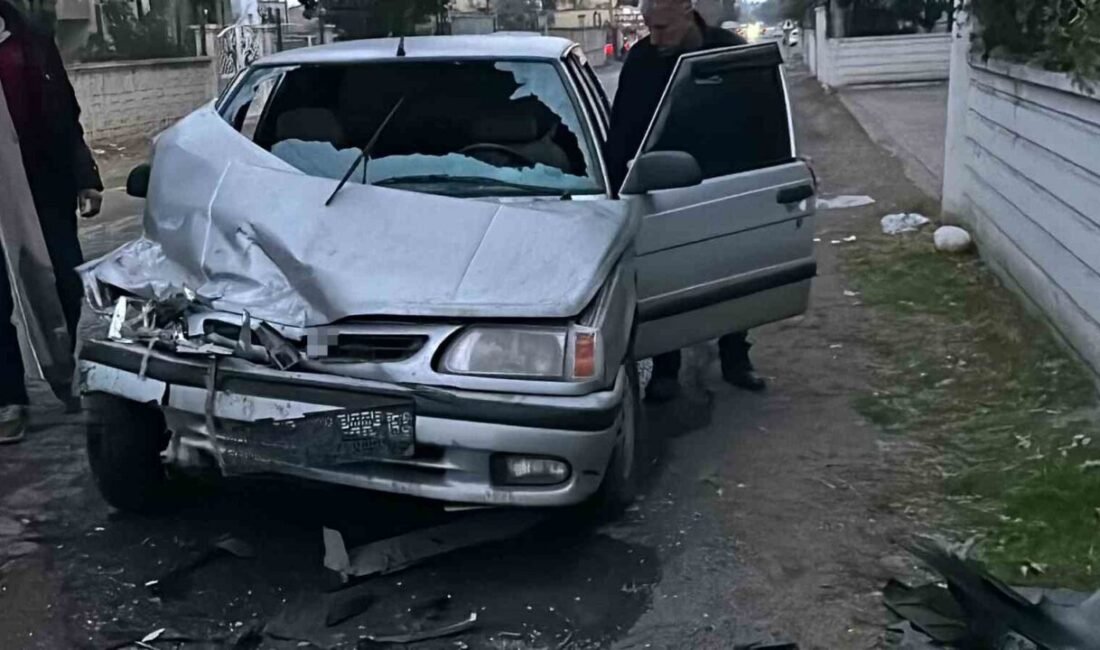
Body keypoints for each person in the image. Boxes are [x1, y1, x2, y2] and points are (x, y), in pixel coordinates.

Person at [605, 0, 766, 403]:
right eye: (648, 27)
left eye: (662, 27)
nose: (654, 37)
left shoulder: (729, 51)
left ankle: (736, 359)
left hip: (725, 181)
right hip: (662, 186)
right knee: (665, 277)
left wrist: (779, 164)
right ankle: (665, 369)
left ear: (687, 11)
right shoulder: (641, 60)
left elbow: (761, 119)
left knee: (732, 272)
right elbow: (622, 128)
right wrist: (613, 186)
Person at [0, 0, 102, 443]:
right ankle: (9, 398)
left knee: (64, 280)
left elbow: (66, 113)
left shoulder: (32, 40)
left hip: (45, 185)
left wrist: (86, 177)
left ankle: (62, 368)